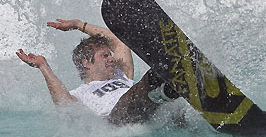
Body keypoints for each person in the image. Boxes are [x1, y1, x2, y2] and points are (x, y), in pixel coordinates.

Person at [16, 19, 179, 125]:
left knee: (172, 108)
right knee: (139, 90)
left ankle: (170, 87)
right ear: (86, 63)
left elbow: (117, 41)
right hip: (118, 119)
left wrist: (79, 25)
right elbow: (64, 105)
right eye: (105, 55)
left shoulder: (121, 74)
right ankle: (165, 85)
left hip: (149, 106)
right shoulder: (80, 93)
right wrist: (44, 66)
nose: (112, 59)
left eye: (110, 54)